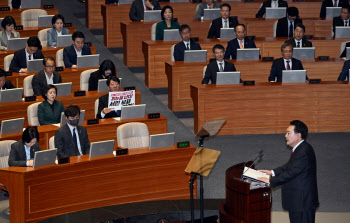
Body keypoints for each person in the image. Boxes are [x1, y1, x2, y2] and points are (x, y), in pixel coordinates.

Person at [258, 120, 319, 223]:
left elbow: (292, 172)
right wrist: (271, 172)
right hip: (298, 201)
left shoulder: (304, 151)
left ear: (298, 135)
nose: (285, 135)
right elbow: (289, 166)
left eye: (288, 133)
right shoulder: (300, 148)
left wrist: (270, 182)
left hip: (302, 203)